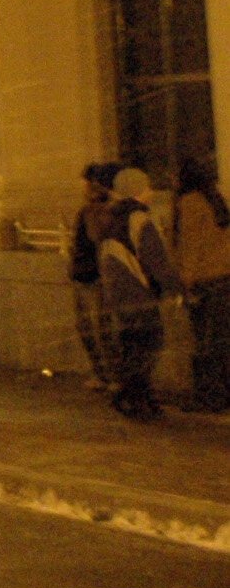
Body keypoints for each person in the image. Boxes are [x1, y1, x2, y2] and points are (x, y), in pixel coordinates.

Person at [98, 168, 180, 420]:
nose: (152, 191)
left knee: (133, 345)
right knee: (149, 344)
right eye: (147, 187)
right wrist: (174, 286)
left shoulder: (111, 217)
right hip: (139, 293)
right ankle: (130, 396)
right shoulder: (139, 219)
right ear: (137, 190)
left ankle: (138, 397)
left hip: (118, 294)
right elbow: (156, 261)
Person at [171, 158, 230, 412]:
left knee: (204, 342)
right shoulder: (215, 198)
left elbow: (191, 247)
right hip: (225, 278)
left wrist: (184, 284)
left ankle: (209, 397)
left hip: (205, 282)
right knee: (222, 340)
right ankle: (224, 394)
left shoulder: (189, 203)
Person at [67, 163, 120, 387]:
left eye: (85, 182)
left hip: (94, 276)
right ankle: (103, 374)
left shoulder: (97, 208)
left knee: (99, 328)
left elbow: (97, 237)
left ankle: (110, 375)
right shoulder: (93, 208)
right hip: (85, 274)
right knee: (90, 327)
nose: (82, 187)